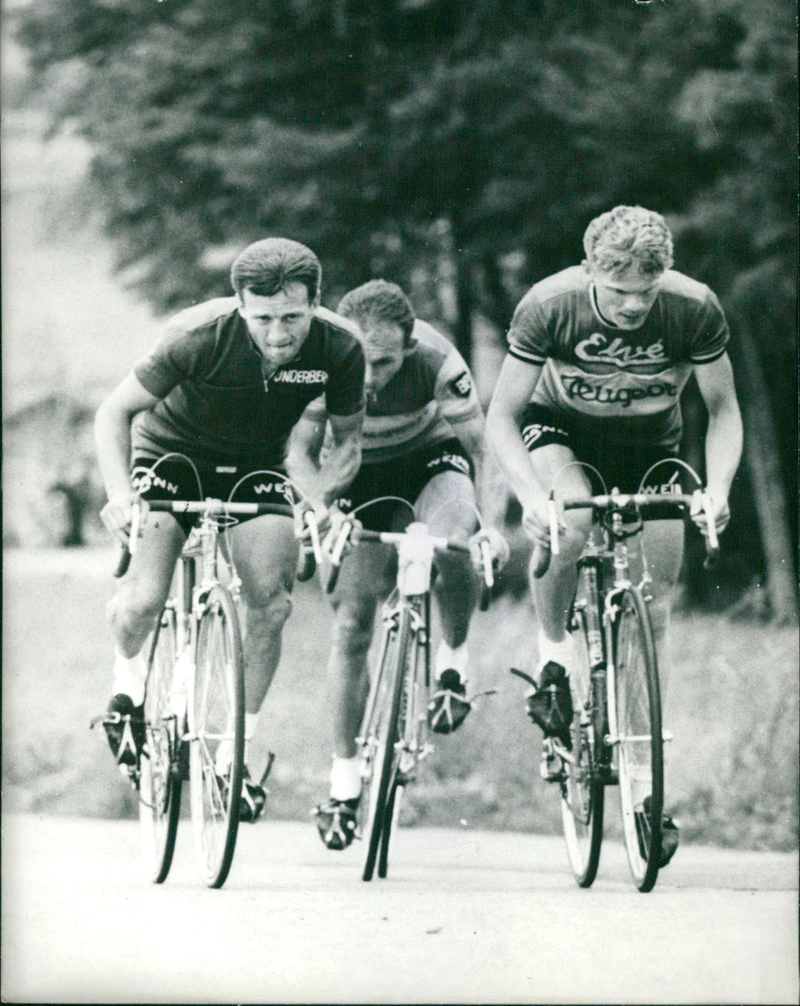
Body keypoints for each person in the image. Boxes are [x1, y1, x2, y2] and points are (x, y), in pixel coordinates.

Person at [485, 205, 743, 866]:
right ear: (589, 269)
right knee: (568, 520)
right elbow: (503, 416)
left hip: (648, 446)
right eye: (618, 290)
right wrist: (526, 496)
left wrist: (716, 489)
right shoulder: (551, 303)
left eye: (645, 292)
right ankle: (553, 659)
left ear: (667, 276)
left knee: (652, 613)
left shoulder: (694, 308)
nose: (632, 305)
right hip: (559, 432)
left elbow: (722, 411)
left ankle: (647, 793)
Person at [94, 237, 365, 820]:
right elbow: (113, 413)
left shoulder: (340, 348)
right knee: (142, 600)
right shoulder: (197, 337)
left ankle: (232, 756)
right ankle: (126, 687)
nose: (277, 334)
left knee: (271, 602)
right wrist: (119, 495)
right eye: (262, 318)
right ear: (239, 304)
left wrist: (321, 501)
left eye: (293, 317)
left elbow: (346, 444)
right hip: (171, 458)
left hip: (256, 466)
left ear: (317, 302)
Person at [288, 279, 509, 850]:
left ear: (408, 350)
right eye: (357, 362)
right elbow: (298, 452)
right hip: (357, 471)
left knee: (453, 540)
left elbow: (483, 450)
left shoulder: (436, 358)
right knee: (352, 623)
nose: (366, 379)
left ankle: (452, 664)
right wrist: (317, 510)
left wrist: (491, 525)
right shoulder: (318, 359)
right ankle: (343, 785)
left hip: (429, 458)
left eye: (382, 364)